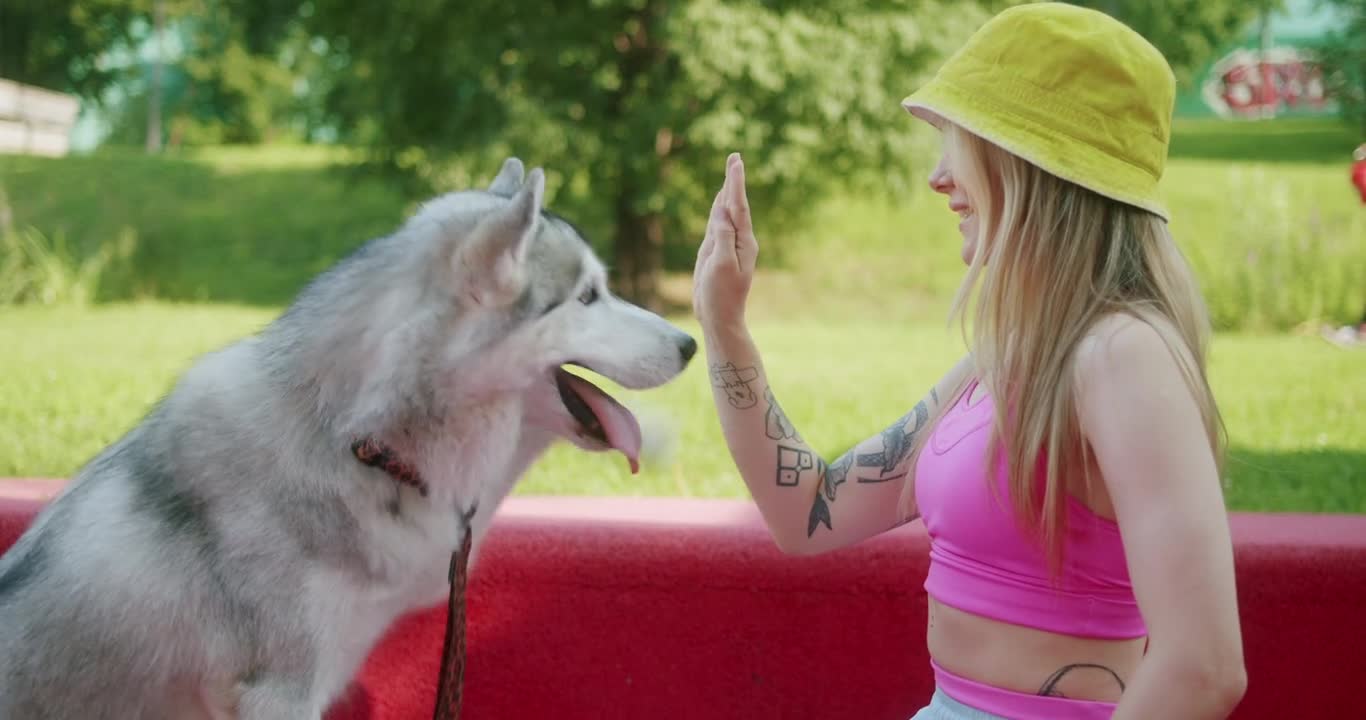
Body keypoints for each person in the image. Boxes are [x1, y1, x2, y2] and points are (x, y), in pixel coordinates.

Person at [691, 4, 1247, 719]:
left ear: (1028, 160)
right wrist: (725, 324)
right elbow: (809, 513)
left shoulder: (1124, 355)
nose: (938, 178)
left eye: (959, 143)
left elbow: (1203, 667)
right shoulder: (1006, 359)